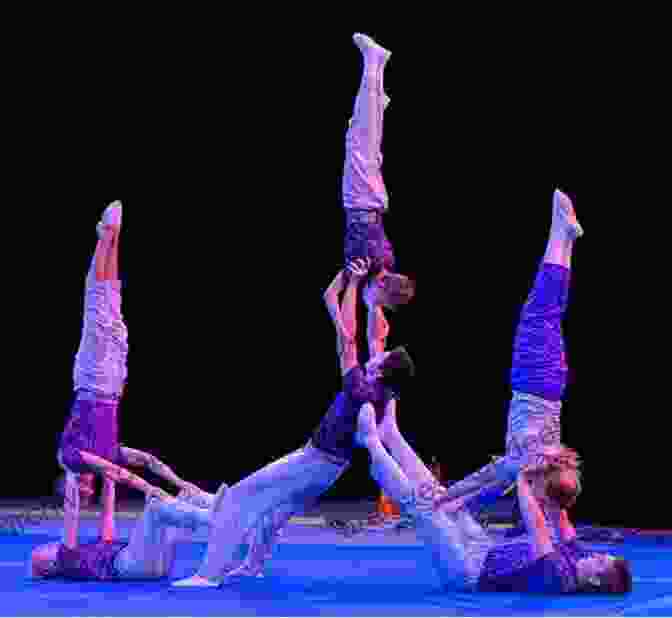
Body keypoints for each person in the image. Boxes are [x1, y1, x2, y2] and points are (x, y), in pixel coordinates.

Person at [172, 259, 416, 587]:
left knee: (240, 496)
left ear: (381, 369)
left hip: (315, 461)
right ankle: (252, 566)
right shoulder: (381, 393)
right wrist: (369, 304)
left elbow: (347, 338)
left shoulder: (359, 386)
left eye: (382, 356)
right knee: (275, 514)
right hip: (330, 469)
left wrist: (355, 284)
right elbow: (369, 337)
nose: (378, 352)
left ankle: (208, 575)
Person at [432, 189, 586, 534]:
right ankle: (559, 231)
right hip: (533, 378)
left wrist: (451, 500)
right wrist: (449, 500)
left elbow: (497, 487)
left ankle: (565, 238)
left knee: (549, 310)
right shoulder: (525, 464)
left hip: (552, 383)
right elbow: (485, 482)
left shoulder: (550, 456)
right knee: (539, 310)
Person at [357, 403, 632, 594]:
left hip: (467, 573)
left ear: (595, 580)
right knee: (441, 498)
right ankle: (392, 436)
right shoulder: (579, 558)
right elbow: (560, 514)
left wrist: (523, 478)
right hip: (484, 549)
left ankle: (371, 442)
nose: (594, 555)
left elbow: (536, 524)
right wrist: (554, 463)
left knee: (425, 511)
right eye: (600, 555)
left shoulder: (560, 578)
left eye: (599, 561)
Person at [57, 202, 201, 546]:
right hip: (115, 380)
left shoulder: (71, 456)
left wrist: (153, 492)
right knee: (113, 298)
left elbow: (111, 476)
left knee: (97, 302)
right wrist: (182, 484)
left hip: (92, 380)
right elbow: (146, 461)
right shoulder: (109, 454)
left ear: (74, 483)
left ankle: (105, 238)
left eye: (82, 488)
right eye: (89, 490)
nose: (88, 487)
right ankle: (113, 236)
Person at [325, 33, 414, 362]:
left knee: (362, 136)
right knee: (362, 134)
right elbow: (328, 295)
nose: (371, 304)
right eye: (377, 301)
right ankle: (374, 62)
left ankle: (379, 96)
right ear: (381, 287)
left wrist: (346, 327)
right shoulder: (363, 267)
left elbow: (377, 309)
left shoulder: (380, 266)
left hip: (373, 202)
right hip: (361, 201)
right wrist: (340, 326)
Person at [29, 456, 215, 581]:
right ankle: (212, 518)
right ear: (50, 564)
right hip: (131, 565)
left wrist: (108, 472)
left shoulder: (90, 551)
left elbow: (107, 513)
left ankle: (216, 504)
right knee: (155, 507)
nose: (47, 546)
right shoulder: (66, 557)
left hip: (154, 566)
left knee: (181, 498)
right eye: (43, 550)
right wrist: (72, 469)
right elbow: (71, 510)